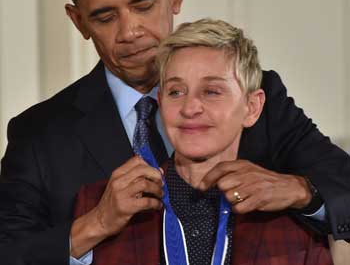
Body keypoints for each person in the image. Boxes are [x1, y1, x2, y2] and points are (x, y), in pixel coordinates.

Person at [0, 0, 349, 265]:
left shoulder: (253, 94)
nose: (130, 31)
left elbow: (341, 183)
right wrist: (96, 223)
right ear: (79, 22)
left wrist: (302, 192)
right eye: (106, 17)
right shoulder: (39, 133)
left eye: (143, 5)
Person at [73, 18, 333, 265]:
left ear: (252, 107)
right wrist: (96, 224)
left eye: (211, 91)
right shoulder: (100, 204)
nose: (190, 107)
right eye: (176, 91)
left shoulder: (293, 218)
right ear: (161, 104)